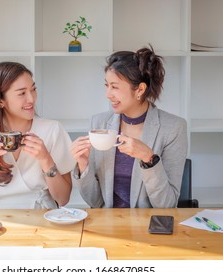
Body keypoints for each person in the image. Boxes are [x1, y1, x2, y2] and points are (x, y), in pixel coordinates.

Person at [70, 45, 187, 208]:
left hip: (147, 227)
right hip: (107, 224)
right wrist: (83, 165)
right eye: (107, 85)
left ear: (140, 89)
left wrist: (148, 158)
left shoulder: (173, 128)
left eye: (115, 87)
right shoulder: (99, 124)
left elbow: (167, 205)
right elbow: (95, 203)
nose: (107, 94)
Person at [0, 62, 76, 209]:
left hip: (43, 216)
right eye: (22, 93)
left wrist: (46, 159)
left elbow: (63, 199)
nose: (31, 99)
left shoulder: (53, 130)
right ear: (0, 101)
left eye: (33, 89)